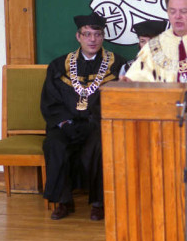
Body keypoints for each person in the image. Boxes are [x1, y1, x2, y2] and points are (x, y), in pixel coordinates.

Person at [41, 13, 125, 220]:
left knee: (99, 145)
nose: (92, 39)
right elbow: (50, 100)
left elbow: (118, 100)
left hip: (97, 125)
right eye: (87, 34)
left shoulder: (117, 65)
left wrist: (94, 122)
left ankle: (98, 203)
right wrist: (65, 123)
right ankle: (63, 201)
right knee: (54, 144)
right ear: (78, 37)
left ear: (103, 37)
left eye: (97, 34)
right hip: (66, 124)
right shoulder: (59, 65)